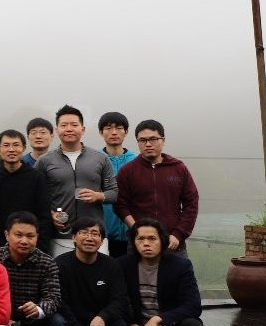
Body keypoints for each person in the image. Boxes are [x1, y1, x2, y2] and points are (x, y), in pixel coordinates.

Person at [35, 105, 117, 255]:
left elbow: (114, 193)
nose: (69, 129)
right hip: (60, 236)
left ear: (83, 129)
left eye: (74, 125)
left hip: (95, 235)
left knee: (99, 270)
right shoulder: (44, 161)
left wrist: (98, 196)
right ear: (57, 130)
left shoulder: (100, 158)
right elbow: (36, 197)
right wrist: (50, 214)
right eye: (64, 125)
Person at [114, 120, 200, 257]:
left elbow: (191, 203)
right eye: (142, 140)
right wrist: (137, 229)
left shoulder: (178, 168)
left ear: (163, 140)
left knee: (179, 272)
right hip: (139, 244)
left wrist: (178, 234)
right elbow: (120, 205)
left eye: (153, 139)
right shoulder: (128, 171)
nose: (148, 144)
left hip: (173, 244)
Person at [0, 130, 52, 249]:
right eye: (6, 145)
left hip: (31, 244)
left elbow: (44, 215)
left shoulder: (37, 178)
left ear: (23, 148)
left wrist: (40, 245)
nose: (11, 150)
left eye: (16, 145)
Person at [98, 112, 136, 258]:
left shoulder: (137, 160)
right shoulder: (95, 160)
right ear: (101, 132)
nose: (114, 132)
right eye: (108, 128)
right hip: (103, 235)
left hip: (133, 233)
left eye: (119, 128)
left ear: (126, 131)